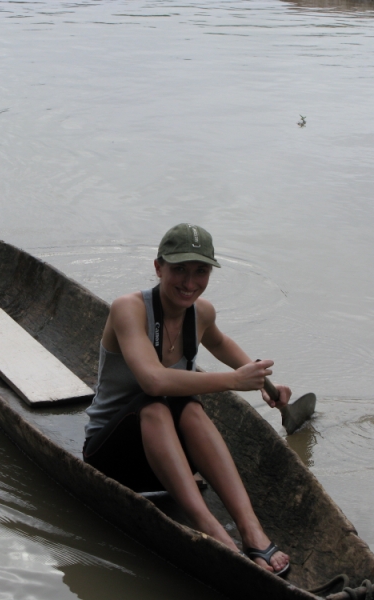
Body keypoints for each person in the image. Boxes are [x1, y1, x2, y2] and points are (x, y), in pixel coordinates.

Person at [83, 223, 293, 576]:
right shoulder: (129, 309)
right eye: (179, 269)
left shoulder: (201, 313)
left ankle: (252, 532)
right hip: (112, 458)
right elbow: (152, 379)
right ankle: (212, 531)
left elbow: (221, 344)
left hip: (167, 464)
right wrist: (233, 381)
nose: (189, 282)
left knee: (190, 407)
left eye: (200, 271)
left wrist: (259, 378)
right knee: (156, 402)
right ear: (158, 267)